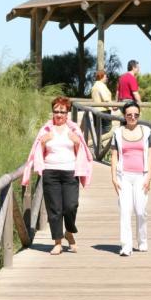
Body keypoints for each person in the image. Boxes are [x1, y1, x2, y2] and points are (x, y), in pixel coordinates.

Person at [22, 96, 93, 256]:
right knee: (54, 209)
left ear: (67, 113)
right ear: (52, 112)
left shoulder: (74, 130)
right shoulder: (46, 131)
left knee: (71, 206)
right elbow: (36, 152)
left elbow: (82, 153)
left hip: (70, 172)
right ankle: (58, 242)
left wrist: (77, 143)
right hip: (51, 172)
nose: (59, 114)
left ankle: (69, 232)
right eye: (56, 111)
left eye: (62, 111)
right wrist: (42, 143)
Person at [110, 101, 151, 257]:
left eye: (136, 114)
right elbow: (114, 156)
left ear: (139, 115)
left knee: (141, 211)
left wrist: (149, 177)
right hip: (124, 176)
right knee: (125, 210)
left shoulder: (147, 131)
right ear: (124, 116)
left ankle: (142, 240)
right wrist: (114, 177)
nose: (133, 117)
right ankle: (126, 246)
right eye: (129, 115)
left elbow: (150, 155)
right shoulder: (118, 133)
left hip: (141, 175)